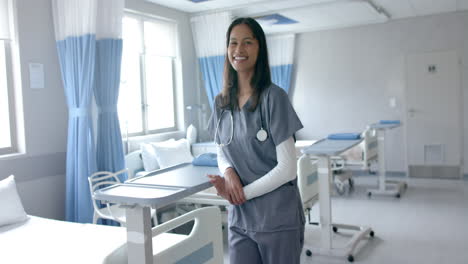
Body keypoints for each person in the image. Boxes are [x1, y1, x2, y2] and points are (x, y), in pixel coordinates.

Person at [207, 17, 305, 264]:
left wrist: (241, 194)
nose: (239, 50)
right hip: (240, 218)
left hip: (276, 218)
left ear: (259, 48)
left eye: (247, 42)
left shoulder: (274, 98)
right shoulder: (221, 102)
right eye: (233, 43)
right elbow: (220, 149)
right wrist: (228, 172)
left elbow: (287, 168)